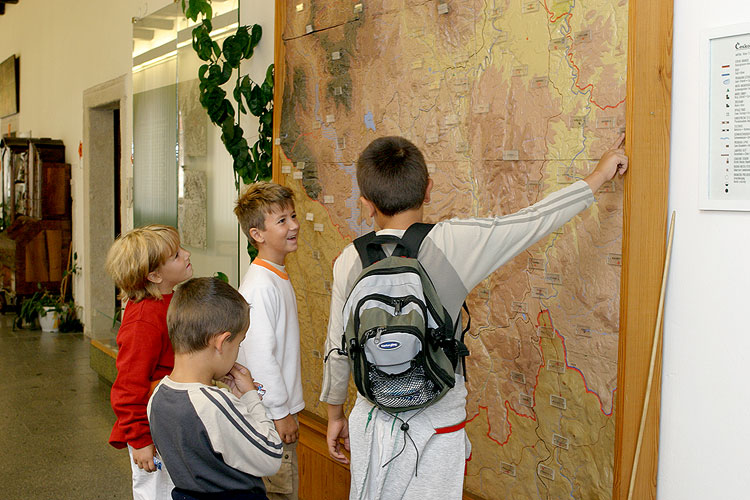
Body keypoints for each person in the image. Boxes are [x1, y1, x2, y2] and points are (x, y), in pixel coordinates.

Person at [320, 135, 629, 499]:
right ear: (429, 189)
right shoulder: (454, 243)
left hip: (373, 423)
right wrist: (598, 175)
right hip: (437, 429)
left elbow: (337, 350)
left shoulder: (348, 261)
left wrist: (334, 414)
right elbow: (532, 221)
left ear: (366, 204)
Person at [147, 277, 283, 500]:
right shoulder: (213, 404)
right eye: (239, 343)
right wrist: (250, 397)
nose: (238, 351)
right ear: (221, 342)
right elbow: (271, 455)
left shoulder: (158, 397)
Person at [105, 224, 193, 500]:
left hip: (171, 421)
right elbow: (128, 387)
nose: (187, 254)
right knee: (158, 492)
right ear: (155, 275)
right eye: (177, 255)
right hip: (153, 430)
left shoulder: (168, 300)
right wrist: (140, 440)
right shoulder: (144, 321)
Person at [233, 182, 304, 500]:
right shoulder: (260, 286)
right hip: (271, 419)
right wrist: (279, 413)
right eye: (282, 221)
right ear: (256, 234)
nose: (294, 226)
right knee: (280, 491)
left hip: (277, 412)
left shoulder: (275, 274)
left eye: (293, 216)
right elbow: (260, 356)